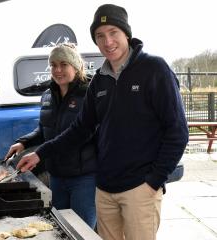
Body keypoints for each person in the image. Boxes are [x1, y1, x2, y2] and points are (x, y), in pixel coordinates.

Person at [16, 4, 189, 240]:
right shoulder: (99, 81)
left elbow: (177, 132)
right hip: (105, 188)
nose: (107, 42)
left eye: (113, 32)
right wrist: (40, 153)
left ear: (126, 33)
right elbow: (80, 129)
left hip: (140, 188)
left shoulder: (154, 69)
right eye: (100, 36)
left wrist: (155, 180)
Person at [5, 43, 97, 229]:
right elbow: (44, 129)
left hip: (84, 178)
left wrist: (40, 153)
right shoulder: (48, 95)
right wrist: (24, 142)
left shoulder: (88, 93)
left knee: (81, 231)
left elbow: (80, 135)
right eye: (53, 65)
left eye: (64, 64)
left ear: (76, 66)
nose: (57, 70)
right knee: (59, 228)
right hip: (56, 176)